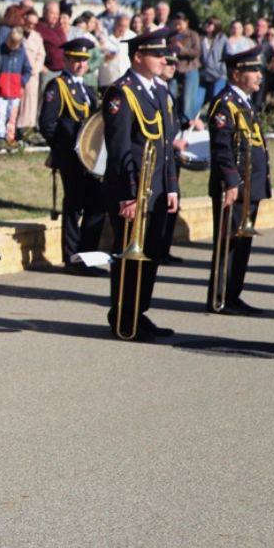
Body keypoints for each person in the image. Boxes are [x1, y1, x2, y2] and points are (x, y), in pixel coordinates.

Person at [102, 28, 179, 342]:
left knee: (152, 253)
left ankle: (139, 312)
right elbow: (120, 150)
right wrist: (130, 195)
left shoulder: (159, 91)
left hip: (158, 188)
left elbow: (165, 144)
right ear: (138, 57)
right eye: (157, 54)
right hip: (132, 190)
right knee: (129, 256)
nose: (164, 59)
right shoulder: (122, 93)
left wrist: (171, 185)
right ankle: (122, 315)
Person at [205, 47, 271, 315]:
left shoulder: (243, 102)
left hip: (248, 186)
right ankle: (220, 297)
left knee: (241, 245)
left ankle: (233, 294)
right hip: (233, 187)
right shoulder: (225, 104)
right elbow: (221, 148)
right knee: (228, 245)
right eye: (254, 70)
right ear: (236, 73)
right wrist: (232, 182)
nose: (259, 75)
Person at [40, 38, 106, 272]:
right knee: (74, 205)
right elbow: (47, 124)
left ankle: (87, 257)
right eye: (76, 60)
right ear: (66, 60)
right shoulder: (57, 87)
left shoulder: (86, 90)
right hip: (71, 157)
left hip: (90, 159)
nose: (80, 65)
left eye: (84, 61)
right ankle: (73, 258)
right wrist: (63, 150)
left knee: (97, 205)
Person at [158, 49, 204, 266]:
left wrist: (188, 124)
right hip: (160, 157)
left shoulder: (167, 91)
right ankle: (156, 250)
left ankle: (163, 249)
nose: (172, 67)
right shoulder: (156, 91)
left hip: (171, 157)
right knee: (161, 205)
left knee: (171, 204)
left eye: (174, 64)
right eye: (168, 63)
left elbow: (173, 120)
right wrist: (172, 141)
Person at [0, 22, 32, 149]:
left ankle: (10, 137)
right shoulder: (2, 51)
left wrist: (21, 82)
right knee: (1, 113)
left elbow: (28, 69)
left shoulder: (21, 53)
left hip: (15, 91)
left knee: (12, 114)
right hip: (1, 90)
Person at [16, 7, 46, 140]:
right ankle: (14, 131)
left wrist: (36, 68)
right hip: (18, 74)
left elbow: (41, 54)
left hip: (32, 75)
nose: (31, 26)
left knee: (30, 104)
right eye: (29, 23)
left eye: (34, 24)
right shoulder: (17, 33)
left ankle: (27, 132)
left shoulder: (37, 37)